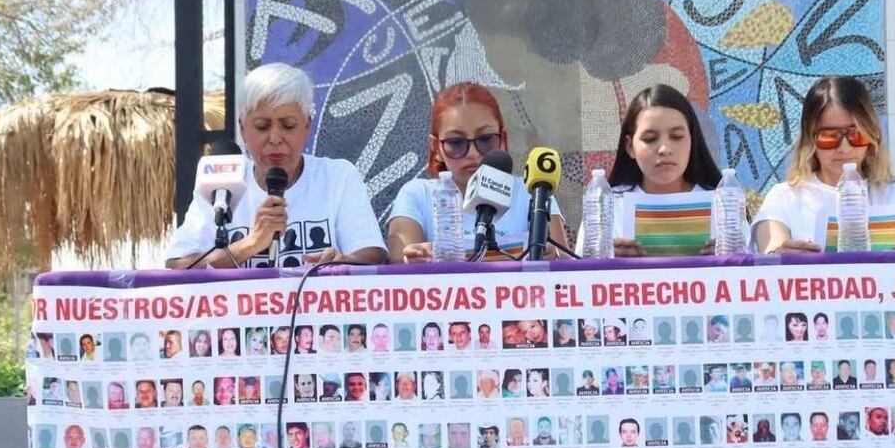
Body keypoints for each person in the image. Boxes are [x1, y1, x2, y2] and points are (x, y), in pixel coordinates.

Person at [166, 63, 386, 268]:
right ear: (243, 129)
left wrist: (342, 263)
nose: (275, 138)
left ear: (307, 125)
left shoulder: (338, 176)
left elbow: (373, 255)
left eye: (288, 125)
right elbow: (178, 266)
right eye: (262, 126)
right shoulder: (220, 182)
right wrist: (249, 245)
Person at [388, 82, 567, 262]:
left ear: (502, 140)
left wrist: (551, 254)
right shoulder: (417, 194)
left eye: (485, 139)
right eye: (456, 142)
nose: (473, 154)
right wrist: (418, 259)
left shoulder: (533, 191)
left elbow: (566, 266)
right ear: (436, 148)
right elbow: (398, 265)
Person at [754, 76, 895, 253]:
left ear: (872, 136)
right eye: (829, 137)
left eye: (856, 135)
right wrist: (781, 255)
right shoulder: (784, 197)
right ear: (810, 141)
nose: (844, 148)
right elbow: (770, 250)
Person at [583, 84, 725, 256]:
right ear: (630, 147)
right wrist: (607, 262)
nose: (664, 149)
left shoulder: (723, 205)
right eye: (650, 139)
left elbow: (752, 274)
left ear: (692, 141)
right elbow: (580, 276)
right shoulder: (606, 207)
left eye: (677, 137)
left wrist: (726, 262)